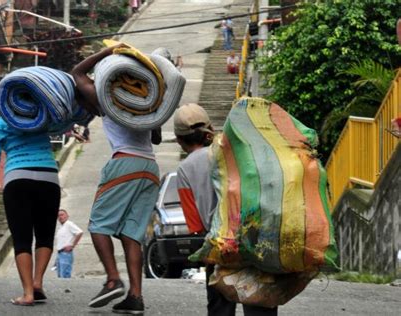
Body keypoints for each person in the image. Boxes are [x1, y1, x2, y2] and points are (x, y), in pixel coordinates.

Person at [72, 45, 161, 314]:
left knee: (99, 226)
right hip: (150, 167)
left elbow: (77, 74)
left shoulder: (108, 99)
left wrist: (108, 52)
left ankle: (113, 279)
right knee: (130, 234)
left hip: (124, 162)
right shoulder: (149, 103)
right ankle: (135, 297)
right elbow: (155, 137)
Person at [173, 103, 278, 316]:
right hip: (253, 236)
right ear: (209, 129)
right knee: (259, 305)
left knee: (220, 308)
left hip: (219, 244)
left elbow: (195, 224)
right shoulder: (233, 150)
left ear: (179, 140)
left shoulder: (184, 169)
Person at [0, 96, 61, 306]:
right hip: (48, 176)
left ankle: (28, 293)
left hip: (17, 179)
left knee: (22, 239)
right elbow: (62, 120)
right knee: (45, 235)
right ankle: (38, 282)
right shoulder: (39, 116)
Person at [55, 209, 83, 278]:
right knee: (60, 275)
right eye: (58, 216)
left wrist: (72, 245)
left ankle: (66, 288)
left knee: (64, 276)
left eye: (62, 215)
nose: (60, 217)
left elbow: (79, 232)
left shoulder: (69, 224)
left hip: (65, 253)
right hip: (60, 254)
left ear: (67, 216)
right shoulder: (61, 227)